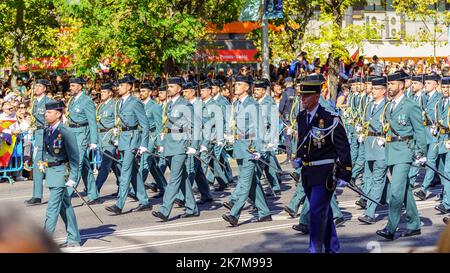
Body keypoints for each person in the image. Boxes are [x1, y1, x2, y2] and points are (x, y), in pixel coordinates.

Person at [293, 78, 352, 253]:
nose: (303, 99)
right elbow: (302, 142)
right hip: (308, 172)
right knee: (324, 213)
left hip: (324, 173)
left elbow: (343, 147)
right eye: (301, 96)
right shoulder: (302, 117)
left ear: (317, 96)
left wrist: (345, 173)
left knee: (316, 213)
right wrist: (298, 157)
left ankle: (314, 249)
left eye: (307, 96)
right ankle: (333, 249)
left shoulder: (329, 118)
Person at [376, 70, 426, 240]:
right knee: (404, 190)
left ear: (402, 85)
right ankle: (414, 225)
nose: (389, 87)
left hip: (405, 151)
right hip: (391, 150)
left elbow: (420, 130)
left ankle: (390, 228)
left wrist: (420, 152)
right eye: (388, 84)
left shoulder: (410, 105)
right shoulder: (389, 105)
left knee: (395, 192)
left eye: (392, 84)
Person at [222, 75, 272, 227]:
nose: (235, 87)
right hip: (239, 146)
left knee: (244, 182)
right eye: (235, 84)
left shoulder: (252, 104)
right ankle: (264, 212)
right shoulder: (237, 103)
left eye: (239, 84)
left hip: (250, 148)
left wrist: (258, 149)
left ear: (246, 88)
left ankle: (234, 214)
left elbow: (259, 128)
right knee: (251, 183)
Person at [152, 77, 199, 221]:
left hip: (180, 145)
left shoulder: (185, 104)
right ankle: (192, 207)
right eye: (168, 86)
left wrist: (194, 146)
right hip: (170, 144)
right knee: (182, 177)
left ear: (179, 88)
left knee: (174, 179)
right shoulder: (169, 105)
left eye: (172, 86)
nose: (169, 89)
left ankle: (164, 210)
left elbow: (195, 125)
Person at [105, 75, 152, 214]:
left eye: (121, 85)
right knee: (133, 172)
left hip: (132, 139)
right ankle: (144, 201)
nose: (118, 88)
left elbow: (145, 124)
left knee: (125, 172)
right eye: (118, 85)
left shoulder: (135, 102)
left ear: (129, 87)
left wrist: (144, 144)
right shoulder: (119, 102)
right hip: (124, 139)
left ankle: (119, 205)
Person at [40, 100, 81, 248]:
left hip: (61, 174)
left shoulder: (66, 132)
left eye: (49, 112)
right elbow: (45, 151)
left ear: (58, 114)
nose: (46, 114)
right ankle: (74, 238)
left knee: (52, 209)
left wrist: (73, 178)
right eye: (46, 112)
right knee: (65, 207)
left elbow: (75, 157)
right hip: (51, 173)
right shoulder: (47, 130)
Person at [357, 77, 389, 224]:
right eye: (372, 88)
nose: (373, 91)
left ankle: (369, 212)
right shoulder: (369, 105)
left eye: (376, 89)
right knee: (370, 178)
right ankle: (391, 201)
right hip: (369, 145)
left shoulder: (387, 106)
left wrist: (386, 137)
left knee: (377, 179)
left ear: (383, 90)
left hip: (381, 145)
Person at [65, 77, 101, 205]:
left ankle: (66, 196)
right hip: (73, 133)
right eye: (71, 85)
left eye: (73, 85)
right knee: (85, 166)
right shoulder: (72, 100)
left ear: (80, 86)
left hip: (82, 134)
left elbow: (92, 121)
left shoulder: (86, 101)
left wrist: (94, 141)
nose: (71, 88)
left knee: (76, 164)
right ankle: (93, 195)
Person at [415, 74, 443, 201]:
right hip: (424, 132)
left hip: (434, 133)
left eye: (429, 83)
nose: (426, 85)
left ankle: (423, 189)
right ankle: (445, 188)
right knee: (438, 164)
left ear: (436, 84)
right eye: (425, 83)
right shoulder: (423, 97)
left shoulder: (440, 98)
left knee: (431, 161)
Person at [139, 82, 167, 198]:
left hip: (151, 136)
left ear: (150, 93)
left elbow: (159, 125)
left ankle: (137, 188)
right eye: (140, 91)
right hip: (141, 136)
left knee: (145, 161)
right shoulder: (138, 105)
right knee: (152, 166)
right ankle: (164, 187)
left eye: (144, 91)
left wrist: (160, 143)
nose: (141, 93)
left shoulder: (154, 106)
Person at [95, 83, 120, 195]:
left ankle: (95, 189)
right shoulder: (101, 105)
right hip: (101, 138)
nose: (102, 94)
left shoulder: (114, 105)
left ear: (110, 93)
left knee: (105, 165)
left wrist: (115, 138)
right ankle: (123, 187)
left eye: (104, 92)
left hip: (110, 137)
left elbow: (118, 122)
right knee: (115, 164)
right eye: (101, 92)